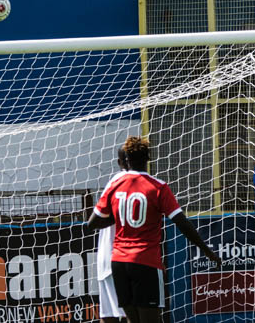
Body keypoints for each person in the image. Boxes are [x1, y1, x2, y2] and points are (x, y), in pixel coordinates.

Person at [87, 136, 221, 323]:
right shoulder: (157, 187)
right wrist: (206, 250)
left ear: (125, 160)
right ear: (148, 157)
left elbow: (92, 223)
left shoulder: (115, 184)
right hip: (145, 262)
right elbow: (181, 222)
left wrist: (118, 215)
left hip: (118, 262)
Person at [90, 147, 128, 323]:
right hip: (122, 256)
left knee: (108, 315)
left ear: (119, 162)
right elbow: (94, 221)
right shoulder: (122, 182)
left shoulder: (114, 182)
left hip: (106, 258)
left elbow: (94, 220)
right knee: (132, 314)